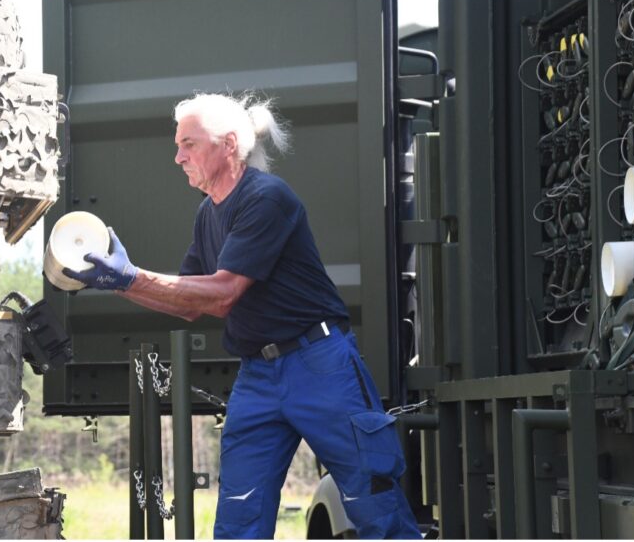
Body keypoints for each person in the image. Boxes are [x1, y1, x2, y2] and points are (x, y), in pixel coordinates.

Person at [63, 92, 420, 539]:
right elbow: (189, 304)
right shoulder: (206, 214)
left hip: (319, 363)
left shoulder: (267, 198)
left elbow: (223, 294)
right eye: (178, 145)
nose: (178, 157)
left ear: (228, 145)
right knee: (238, 519)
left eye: (188, 144)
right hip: (259, 374)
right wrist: (117, 285)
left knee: (374, 502)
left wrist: (131, 278)